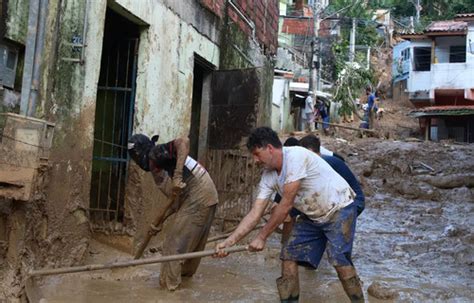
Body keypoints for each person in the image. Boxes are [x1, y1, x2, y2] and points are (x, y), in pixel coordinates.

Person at [214, 127, 364, 302]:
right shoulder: (268, 176)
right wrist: (228, 242)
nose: (255, 161)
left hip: (340, 208)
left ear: (269, 148)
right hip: (313, 216)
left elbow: (285, 206)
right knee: (288, 256)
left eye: (257, 154)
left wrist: (262, 237)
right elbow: (255, 213)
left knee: (340, 261)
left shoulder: (295, 157)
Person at [128, 134, 218, 291]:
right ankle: (185, 283)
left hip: (198, 192)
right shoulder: (162, 163)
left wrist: (177, 176)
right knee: (192, 244)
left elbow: (183, 141)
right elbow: (176, 202)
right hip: (207, 193)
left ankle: (169, 290)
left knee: (172, 243)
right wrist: (159, 222)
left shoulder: (155, 153)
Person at [299, 134, 365, 216]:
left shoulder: (327, 163)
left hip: (353, 201)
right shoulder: (318, 162)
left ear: (309, 151)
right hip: (341, 200)